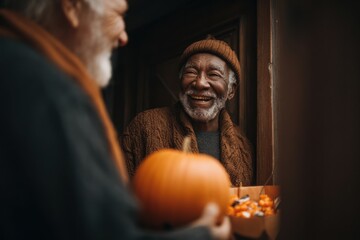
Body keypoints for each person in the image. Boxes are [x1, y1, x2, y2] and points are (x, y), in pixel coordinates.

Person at [0, 0, 230, 239]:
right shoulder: (50, 90)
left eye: (213, 74)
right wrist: (203, 236)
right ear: (72, 8)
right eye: (118, 15)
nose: (123, 37)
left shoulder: (16, 66)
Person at [122, 37, 253, 187]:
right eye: (191, 72)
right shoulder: (144, 126)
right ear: (180, 82)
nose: (200, 83)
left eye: (214, 74)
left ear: (231, 90)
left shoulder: (244, 146)